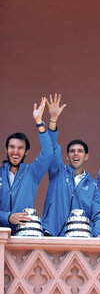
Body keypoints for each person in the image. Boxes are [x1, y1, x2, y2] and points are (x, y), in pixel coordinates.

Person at [42, 94, 100, 237]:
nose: (76, 154)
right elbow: (51, 148)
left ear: (86, 156)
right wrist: (53, 120)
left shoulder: (94, 185)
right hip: (52, 235)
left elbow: (99, 213)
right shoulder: (57, 172)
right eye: (72, 151)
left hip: (80, 237)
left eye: (80, 151)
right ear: (67, 156)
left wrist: (99, 233)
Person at [0, 97, 53, 234]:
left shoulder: (32, 173)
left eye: (20, 148)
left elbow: (48, 154)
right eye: (12, 147)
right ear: (6, 150)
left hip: (23, 234)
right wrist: (8, 217)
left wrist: (39, 122)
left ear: (26, 152)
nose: (15, 152)